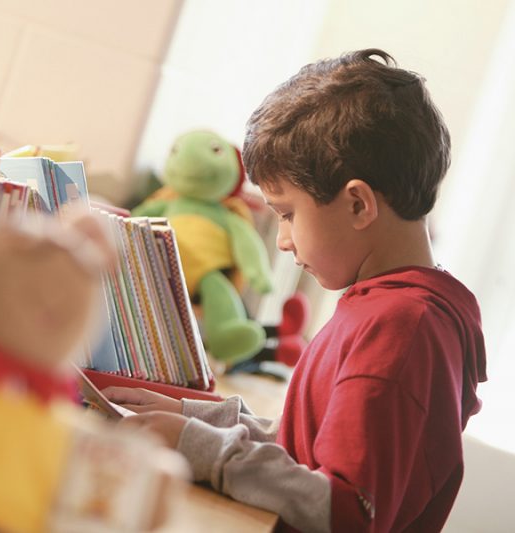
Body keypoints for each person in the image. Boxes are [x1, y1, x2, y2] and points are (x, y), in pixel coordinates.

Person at [104, 48, 486, 532]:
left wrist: (195, 446)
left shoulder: (400, 330)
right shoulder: (391, 307)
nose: (282, 240)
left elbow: (343, 509)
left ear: (357, 204)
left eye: (287, 214)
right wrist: (193, 418)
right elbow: (303, 445)